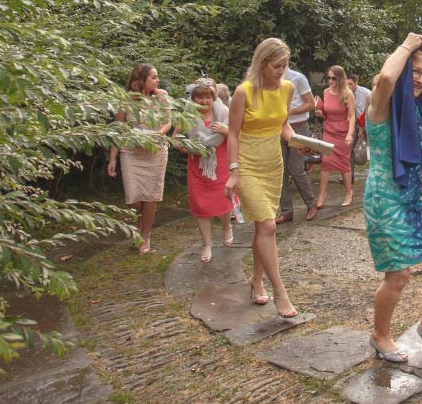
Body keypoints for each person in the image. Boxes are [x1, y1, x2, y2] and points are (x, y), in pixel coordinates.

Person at [362, 33, 422, 362]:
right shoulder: (383, 103)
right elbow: (388, 76)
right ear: (406, 70)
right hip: (384, 199)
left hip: (411, 197)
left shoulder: (418, 108)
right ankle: (380, 335)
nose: (420, 79)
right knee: (399, 276)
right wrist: (406, 46)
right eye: (415, 71)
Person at [225, 38, 301, 319]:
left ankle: (256, 281)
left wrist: (297, 141)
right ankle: (280, 291)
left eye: (284, 66)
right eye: (276, 66)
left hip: (273, 163)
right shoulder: (243, 92)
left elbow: (283, 124)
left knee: (263, 228)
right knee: (268, 226)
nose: (281, 71)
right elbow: (233, 133)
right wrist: (233, 171)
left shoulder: (288, 89)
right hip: (247, 163)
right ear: (262, 63)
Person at [107, 63, 171, 254]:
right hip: (131, 153)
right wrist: (112, 158)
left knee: (151, 196)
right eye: (153, 77)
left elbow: (168, 121)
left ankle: (145, 234)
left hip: (156, 151)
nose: (157, 80)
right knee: (134, 198)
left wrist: (157, 134)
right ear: (140, 80)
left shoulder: (162, 96)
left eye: (157, 77)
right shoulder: (125, 100)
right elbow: (118, 130)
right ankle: (140, 223)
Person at [173, 78, 234, 262]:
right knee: (200, 205)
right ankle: (207, 243)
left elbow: (238, 137)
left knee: (223, 200)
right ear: (193, 98)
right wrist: (185, 147)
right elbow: (175, 138)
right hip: (197, 165)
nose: (204, 101)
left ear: (214, 97)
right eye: (200, 97)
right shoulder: (188, 115)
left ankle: (226, 226)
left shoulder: (224, 113)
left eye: (208, 97)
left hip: (220, 164)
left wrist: (225, 131)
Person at [276, 66, 317, 224]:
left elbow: (311, 104)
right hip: (279, 128)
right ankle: (287, 212)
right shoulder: (270, 80)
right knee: (281, 170)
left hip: (298, 127)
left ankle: (311, 203)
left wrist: (289, 112)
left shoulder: (297, 78)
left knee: (296, 169)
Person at [314, 65, 356, 211]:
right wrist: (320, 113)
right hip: (328, 130)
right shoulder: (326, 92)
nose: (330, 81)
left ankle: (348, 192)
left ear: (340, 78)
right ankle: (321, 195)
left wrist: (350, 134)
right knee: (326, 161)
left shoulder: (347, 94)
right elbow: (327, 112)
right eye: (329, 78)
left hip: (343, 133)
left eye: (333, 78)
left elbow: (352, 116)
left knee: (344, 163)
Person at [348, 75, 372, 184]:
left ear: (356, 82)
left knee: (371, 149)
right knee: (350, 150)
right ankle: (349, 177)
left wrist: (363, 128)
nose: (348, 86)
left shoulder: (366, 93)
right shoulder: (346, 94)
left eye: (350, 84)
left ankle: (373, 175)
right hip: (356, 124)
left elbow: (369, 112)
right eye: (346, 84)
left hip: (368, 124)